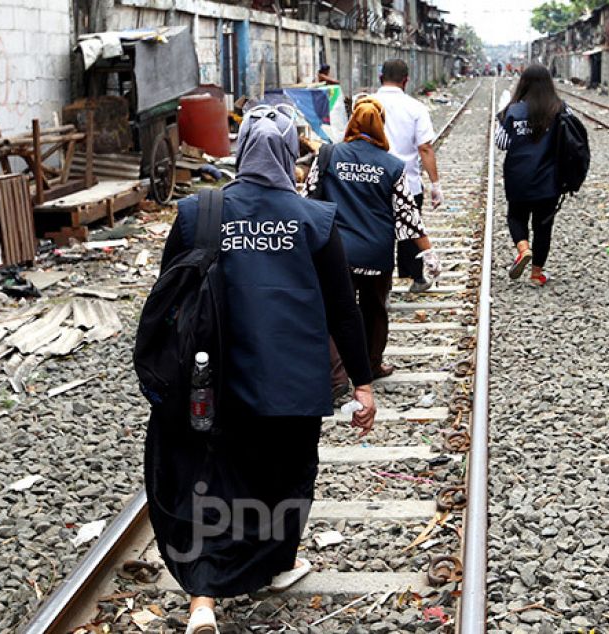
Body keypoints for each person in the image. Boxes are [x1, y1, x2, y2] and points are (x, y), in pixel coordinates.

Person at [145, 105, 378, 634]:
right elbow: (345, 311)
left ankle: (202, 603)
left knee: (209, 480)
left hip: (212, 381)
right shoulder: (315, 220)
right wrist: (362, 384)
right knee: (284, 478)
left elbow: (168, 301)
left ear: (242, 150)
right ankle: (276, 563)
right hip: (292, 385)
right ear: (288, 155)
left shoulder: (196, 213)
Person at [304, 96, 438, 386]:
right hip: (376, 252)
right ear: (381, 125)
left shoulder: (328, 154)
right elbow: (406, 213)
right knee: (374, 309)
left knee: (334, 310)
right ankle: (372, 365)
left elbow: (309, 195)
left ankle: (337, 377)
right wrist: (427, 251)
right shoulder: (392, 165)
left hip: (337, 251)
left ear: (352, 122)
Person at [375, 58, 443, 292]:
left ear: (380, 77)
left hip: (372, 181)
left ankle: (381, 281)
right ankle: (415, 277)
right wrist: (435, 184)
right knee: (410, 227)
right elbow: (425, 148)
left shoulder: (365, 104)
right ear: (406, 80)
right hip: (407, 182)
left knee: (378, 229)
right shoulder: (416, 108)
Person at [495, 64, 565, 287]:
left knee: (516, 216)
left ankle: (523, 249)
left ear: (523, 84)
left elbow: (502, 143)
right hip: (549, 179)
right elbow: (571, 139)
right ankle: (536, 274)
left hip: (518, 176)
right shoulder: (560, 109)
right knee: (543, 226)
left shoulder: (514, 111)